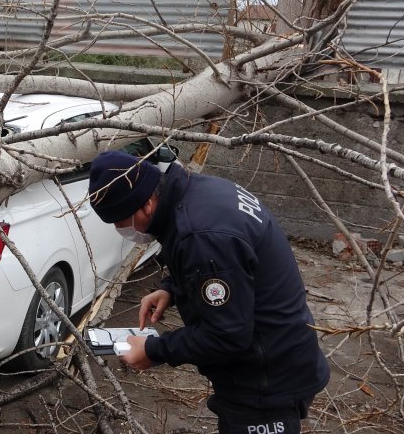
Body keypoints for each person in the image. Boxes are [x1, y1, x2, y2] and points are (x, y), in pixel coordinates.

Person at [87, 150, 329, 434]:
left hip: (265, 383)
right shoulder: (198, 192)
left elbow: (227, 334)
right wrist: (172, 289)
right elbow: (228, 269)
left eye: (121, 221)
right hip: (276, 356)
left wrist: (154, 350)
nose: (121, 229)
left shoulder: (201, 236)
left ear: (146, 205)